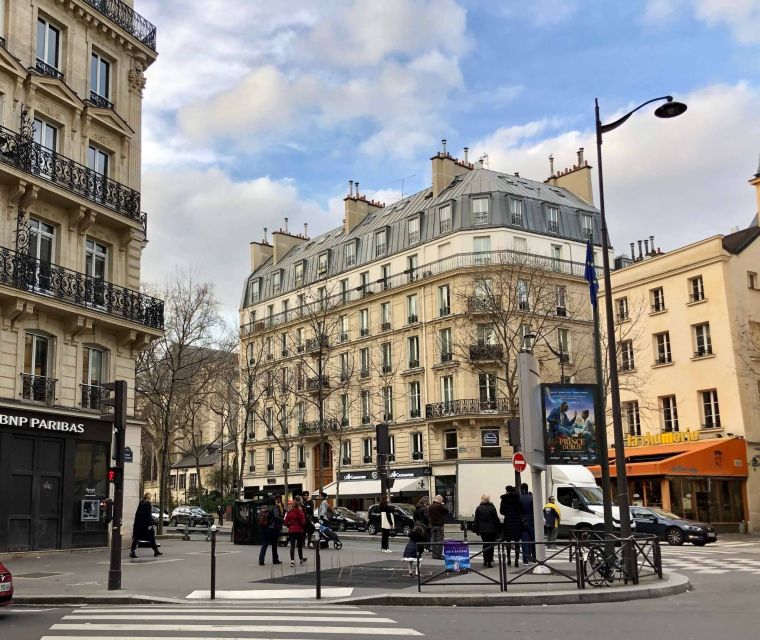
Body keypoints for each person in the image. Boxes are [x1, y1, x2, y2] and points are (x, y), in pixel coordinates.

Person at [129, 493, 161, 558]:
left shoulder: (141, 504)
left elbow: (138, 514)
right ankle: (155, 550)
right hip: (145, 525)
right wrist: (151, 524)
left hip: (138, 524)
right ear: (148, 498)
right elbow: (148, 515)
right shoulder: (148, 504)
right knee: (151, 537)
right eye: (150, 497)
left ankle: (132, 551)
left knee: (136, 538)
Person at [499, 485, 524, 566]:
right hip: (517, 521)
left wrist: (507, 513)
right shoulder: (518, 499)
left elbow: (501, 511)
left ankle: (509, 559)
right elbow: (521, 510)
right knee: (517, 542)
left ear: (507, 491)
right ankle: (516, 560)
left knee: (508, 541)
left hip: (508, 521)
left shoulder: (504, 500)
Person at [473, 495, 500, 568]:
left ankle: (485, 560)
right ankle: (490, 561)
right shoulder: (492, 507)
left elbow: (476, 520)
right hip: (491, 529)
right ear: (488, 500)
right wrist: (498, 528)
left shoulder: (478, 508)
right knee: (491, 545)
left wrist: (476, 530)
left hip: (483, 530)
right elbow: (496, 519)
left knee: (485, 544)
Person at [258, 496, 283, 566]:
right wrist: (283, 520)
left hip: (264, 528)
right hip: (272, 529)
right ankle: (275, 560)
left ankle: (261, 559)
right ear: (273, 501)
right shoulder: (275, 508)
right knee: (274, 545)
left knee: (264, 544)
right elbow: (276, 517)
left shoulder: (264, 508)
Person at [284, 501, 307, 567]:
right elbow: (303, 522)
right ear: (298, 506)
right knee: (299, 546)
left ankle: (292, 561)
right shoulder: (300, 513)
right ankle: (301, 559)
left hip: (292, 531)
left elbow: (285, 522)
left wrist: (290, 526)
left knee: (292, 546)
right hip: (299, 531)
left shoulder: (289, 513)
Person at [518, 483, 536, 564]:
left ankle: (525, 560)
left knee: (524, 541)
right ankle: (534, 558)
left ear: (521, 489)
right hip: (531, 520)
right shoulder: (532, 497)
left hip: (523, 521)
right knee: (533, 540)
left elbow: (518, 511)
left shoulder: (519, 498)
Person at [428, 494, 448, 559]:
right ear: (439, 500)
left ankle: (434, 555)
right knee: (440, 540)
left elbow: (429, 515)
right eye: (441, 500)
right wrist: (442, 504)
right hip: (439, 525)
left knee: (433, 540)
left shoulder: (430, 506)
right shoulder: (440, 506)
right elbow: (446, 510)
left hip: (433, 525)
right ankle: (439, 555)